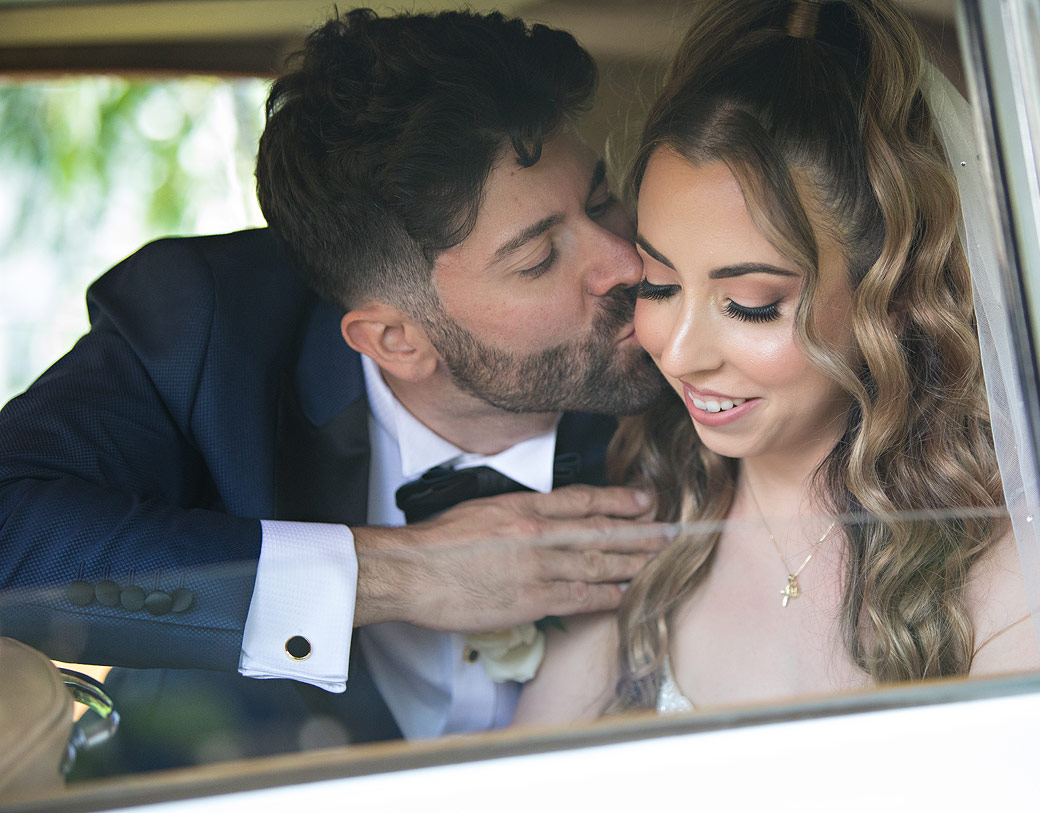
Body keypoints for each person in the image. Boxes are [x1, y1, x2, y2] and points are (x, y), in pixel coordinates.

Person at [0, 8, 668, 766]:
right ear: (396, 340)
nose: (629, 262)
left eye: (603, 197)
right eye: (540, 257)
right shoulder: (199, 331)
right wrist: (395, 572)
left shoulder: (702, 320)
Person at [514, 0, 1040, 723]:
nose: (678, 352)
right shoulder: (644, 530)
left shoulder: (1012, 575)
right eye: (658, 283)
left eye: (750, 303)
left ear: (895, 295)